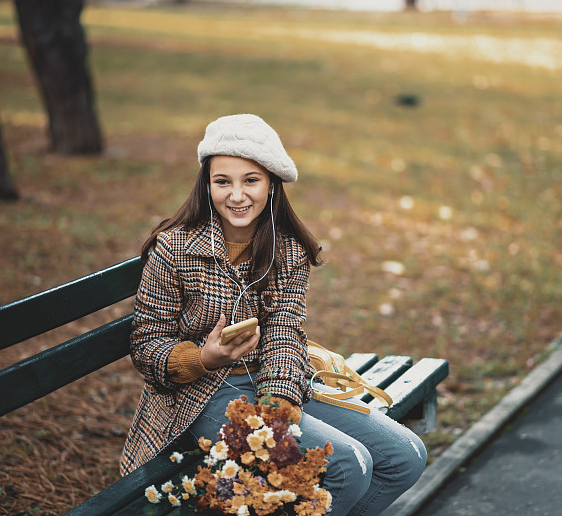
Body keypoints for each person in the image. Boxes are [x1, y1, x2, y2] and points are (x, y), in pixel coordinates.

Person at [119, 114, 426, 515]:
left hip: (272, 381)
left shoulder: (288, 250)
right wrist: (202, 358)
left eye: (251, 180)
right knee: (349, 466)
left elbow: (285, 331)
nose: (237, 195)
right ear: (206, 184)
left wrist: (277, 403)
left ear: (271, 186)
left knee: (404, 455)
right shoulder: (174, 249)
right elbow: (145, 344)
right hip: (199, 395)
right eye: (222, 181)